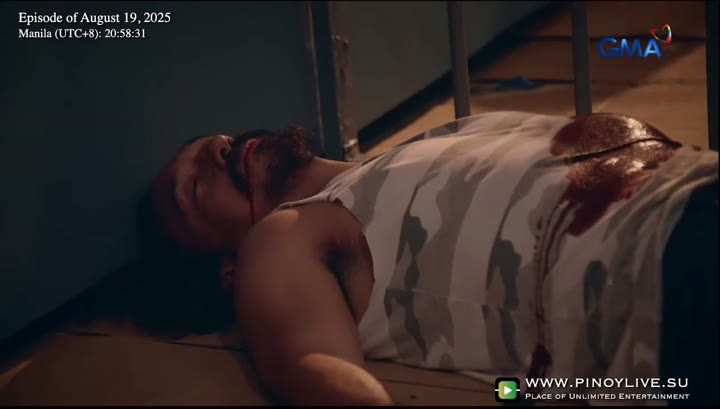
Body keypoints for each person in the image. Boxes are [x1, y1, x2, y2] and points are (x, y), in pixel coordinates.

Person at [142, 111, 718, 406]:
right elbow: (315, 368)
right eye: (192, 187)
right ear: (226, 271)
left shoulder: (416, 150)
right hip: (670, 276)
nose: (216, 148)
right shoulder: (280, 238)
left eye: (210, 144)